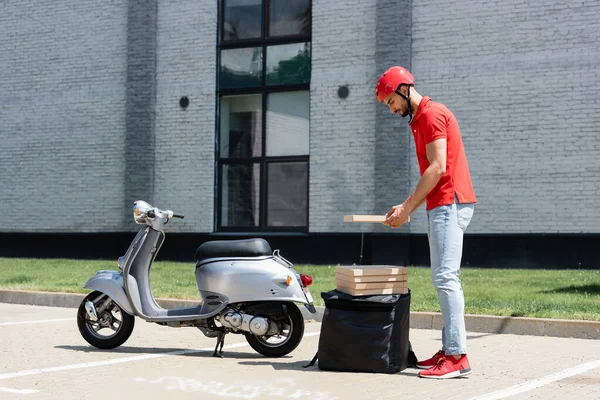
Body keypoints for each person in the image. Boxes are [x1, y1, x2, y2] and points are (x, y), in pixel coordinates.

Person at [375, 66, 477, 379]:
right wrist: (407, 207)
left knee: (446, 277)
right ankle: (449, 348)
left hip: (450, 202)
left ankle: (457, 355)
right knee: (443, 277)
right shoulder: (419, 120)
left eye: (391, 101)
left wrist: (407, 208)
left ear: (403, 89)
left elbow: (437, 168)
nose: (391, 109)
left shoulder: (432, 115)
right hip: (441, 204)